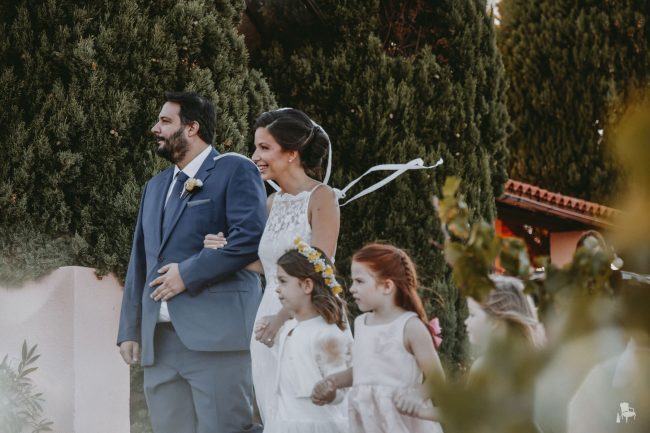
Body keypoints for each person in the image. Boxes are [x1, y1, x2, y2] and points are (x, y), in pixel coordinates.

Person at [116, 91, 267, 433]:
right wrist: (131, 328)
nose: (155, 128)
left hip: (217, 337)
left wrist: (187, 273)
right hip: (159, 343)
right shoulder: (154, 187)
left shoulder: (235, 169)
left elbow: (250, 240)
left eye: (165, 121)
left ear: (192, 127)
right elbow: (140, 260)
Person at [204, 108, 340, 421]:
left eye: (264, 148)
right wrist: (224, 249)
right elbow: (267, 266)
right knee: (274, 411)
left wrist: (281, 318)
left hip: (306, 320)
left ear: (292, 153)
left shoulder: (322, 198)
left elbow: (321, 270)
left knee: (308, 414)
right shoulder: (271, 203)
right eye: (256, 147)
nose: (255, 156)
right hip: (267, 317)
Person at [311, 243, 445, 433]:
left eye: (359, 281)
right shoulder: (361, 323)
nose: (352, 288)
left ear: (387, 286)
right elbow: (364, 370)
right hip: (367, 421)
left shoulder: (410, 326)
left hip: (401, 421)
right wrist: (333, 381)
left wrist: (417, 396)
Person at [262, 239, 352, 433]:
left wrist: (330, 393)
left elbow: (340, 386)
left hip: (315, 425)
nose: (277, 288)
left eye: (283, 281)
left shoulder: (327, 334)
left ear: (307, 285)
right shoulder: (289, 327)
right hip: (284, 422)